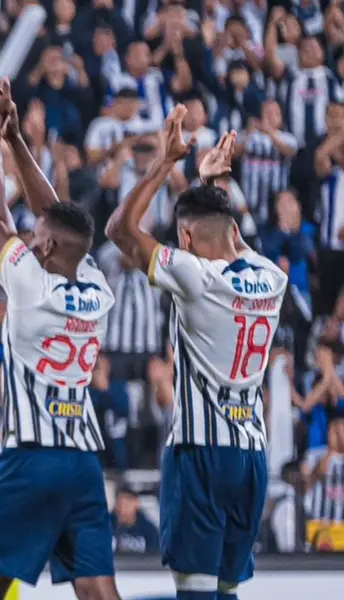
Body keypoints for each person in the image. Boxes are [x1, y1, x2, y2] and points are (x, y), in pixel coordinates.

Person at [106, 107, 285, 600]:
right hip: (251, 455)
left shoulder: (194, 276)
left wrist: (164, 163)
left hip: (200, 454)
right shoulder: (272, 278)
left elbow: (119, 230)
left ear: (184, 238)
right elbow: (230, 236)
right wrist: (216, 187)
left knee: (197, 593)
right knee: (226, 593)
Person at [0, 61, 120, 600]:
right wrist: (15, 137)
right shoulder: (97, 286)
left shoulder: (29, 282)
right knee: (99, 590)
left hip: (30, 457)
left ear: (48, 248)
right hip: (82, 462)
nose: (29, 239)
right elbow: (54, 212)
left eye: (36, 238)